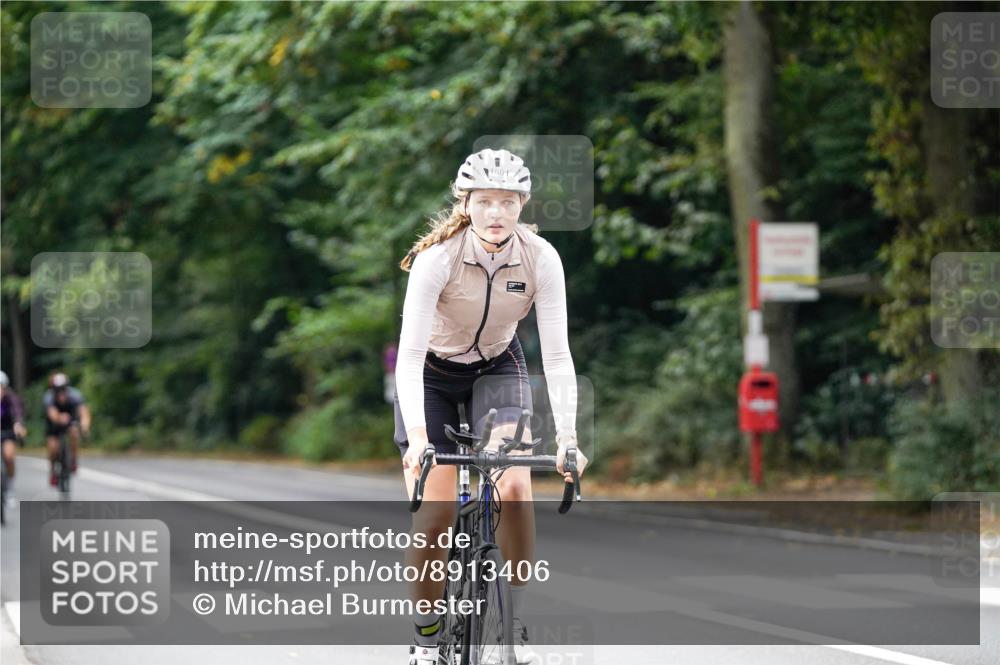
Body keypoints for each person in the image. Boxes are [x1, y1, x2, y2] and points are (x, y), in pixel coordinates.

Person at [394, 148, 589, 665]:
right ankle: (427, 634)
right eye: (485, 201)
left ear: (522, 204)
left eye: (507, 201)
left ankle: (515, 623)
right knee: (434, 514)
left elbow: (559, 353)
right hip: (432, 376)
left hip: (497, 369)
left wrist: (568, 438)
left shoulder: (540, 258)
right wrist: (418, 440)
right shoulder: (439, 259)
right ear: (466, 203)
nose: (496, 213)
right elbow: (409, 356)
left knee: (517, 482)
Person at [42, 372, 91, 486]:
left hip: (70, 420)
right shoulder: (49, 397)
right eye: (57, 390)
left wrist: (85, 426)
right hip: (54, 424)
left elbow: (84, 412)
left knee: (74, 432)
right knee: (53, 449)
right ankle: (53, 470)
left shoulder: (75, 395)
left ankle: (73, 459)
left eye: (63, 389)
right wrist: (59, 418)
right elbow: (52, 413)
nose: (61, 393)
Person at [0, 370, 27, 504]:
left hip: (7, 432)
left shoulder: (11, 398)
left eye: (1, 387)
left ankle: (10, 488)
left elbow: (17, 411)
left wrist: (18, 425)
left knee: (9, 456)